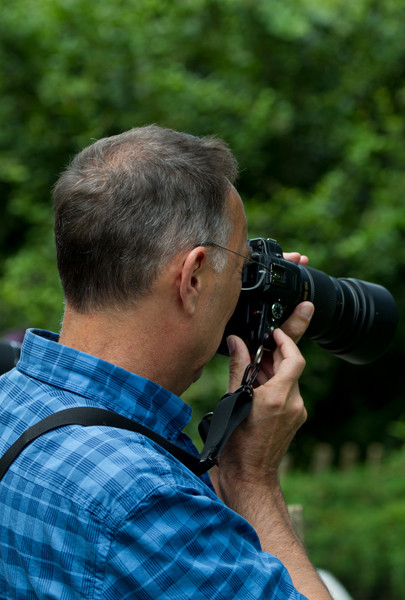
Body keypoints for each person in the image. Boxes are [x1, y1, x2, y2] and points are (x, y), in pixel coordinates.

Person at [0, 125, 332, 599]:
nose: (241, 290)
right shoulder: (143, 500)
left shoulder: (10, 400)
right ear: (193, 277)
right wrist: (249, 478)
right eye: (240, 270)